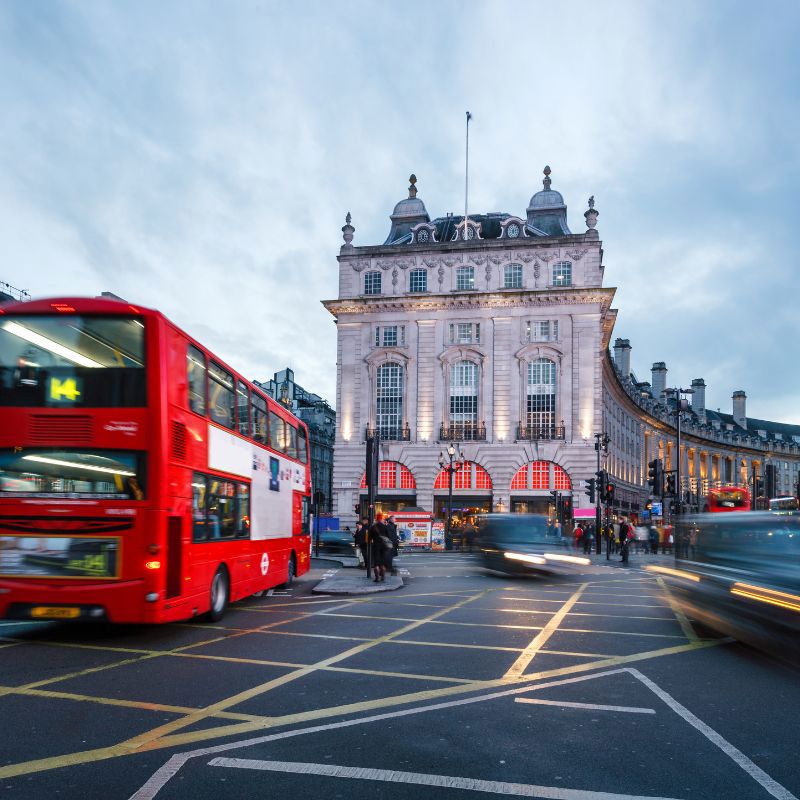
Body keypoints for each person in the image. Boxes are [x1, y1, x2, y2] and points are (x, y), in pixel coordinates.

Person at [369, 513, 392, 582]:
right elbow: (388, 537)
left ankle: (377, 578)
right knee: (382, 562)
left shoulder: (373, 527)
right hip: (384, 546)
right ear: (381, 519)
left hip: (376, 546)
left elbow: (369, 538)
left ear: (376, 519)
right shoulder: (385, 527)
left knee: (376, 563)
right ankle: (383, 577)